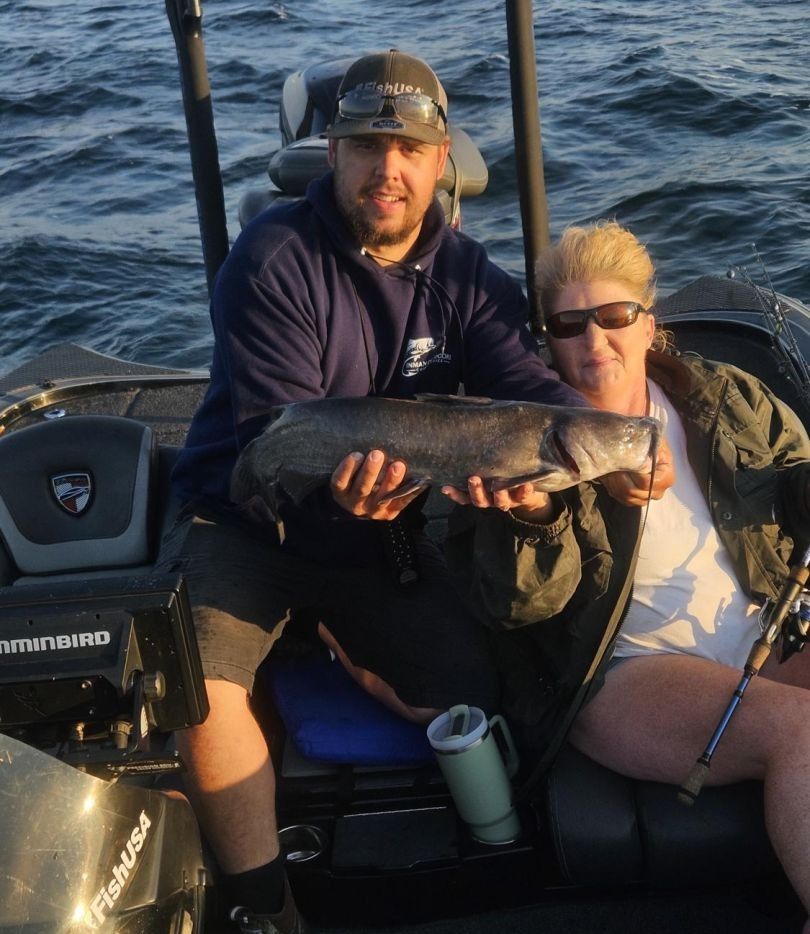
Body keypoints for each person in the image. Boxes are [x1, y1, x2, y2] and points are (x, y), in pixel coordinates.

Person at [158, 49, 586, 934]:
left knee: (474, 685)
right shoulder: (270, 259)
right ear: (333, 152)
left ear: (440, 163)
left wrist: (579, 465)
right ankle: (261, 901)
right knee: (200, 684)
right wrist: (340, 508)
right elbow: (278, 444)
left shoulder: (472, 278)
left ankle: (335, 641)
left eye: (407, 149)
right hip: (248, 512)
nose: (386, 169)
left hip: (373, 529)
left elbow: (537, 399)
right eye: (364, 145)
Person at [445, 219, 810, 928]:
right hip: (627, 678)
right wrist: (530, 520)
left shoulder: (725, 397)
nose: (595, 341)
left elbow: (791, 482)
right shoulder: (522, 438)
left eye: (614, 317)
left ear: (650, 323)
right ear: (546, 339)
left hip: (768, 637)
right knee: (800, 729)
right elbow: (518, 608)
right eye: (569, 324)